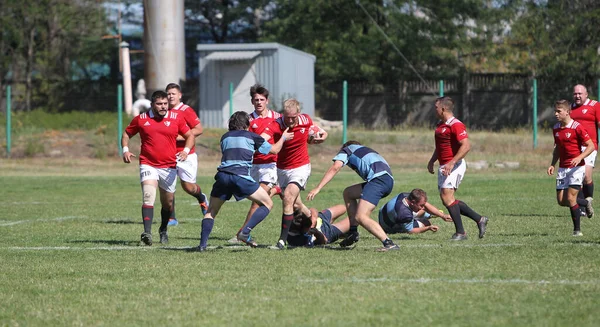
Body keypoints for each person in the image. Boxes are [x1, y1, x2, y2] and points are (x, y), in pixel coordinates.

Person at [196, 111, 293, 251]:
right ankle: (245, 232)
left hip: (222, 176)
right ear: (247, 124)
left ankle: (202, 245)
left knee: (211, 211)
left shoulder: (224, 137)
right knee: (267, 203)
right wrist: (283, 137)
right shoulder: (252, 137)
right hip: (240, 177)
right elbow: (275, 150)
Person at [121, 90, 195, 246]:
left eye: (165, 104)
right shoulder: (141, 119)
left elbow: (190, 135)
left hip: (169, 166)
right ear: (152, 104)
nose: (163, 107)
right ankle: (147, 233)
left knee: (168, 203)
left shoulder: (176, 118)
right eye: (159, 104)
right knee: (148, 195)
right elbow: (127, 134)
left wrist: (186, 151)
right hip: (148, 163)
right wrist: (125, 150)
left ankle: (163, 229)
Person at [307, 140, 400, 252]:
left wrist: (318, 188)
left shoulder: (347, 149)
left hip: (378, 180)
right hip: (387, 180)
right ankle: (353, 232)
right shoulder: (365, 150)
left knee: (361, 216)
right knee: (348, 193)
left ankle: (388, 243)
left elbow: (335, 167)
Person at [262, 98, 328, 250]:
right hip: (282, 170)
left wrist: (322, 137)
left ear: (299, 113)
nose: (290, 121)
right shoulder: (276, 124)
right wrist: (277, 143)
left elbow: (318, 133)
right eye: (287, 117)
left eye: (293, 117)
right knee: (296, 204)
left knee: (288, 197)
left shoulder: (305, 120)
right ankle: (315, 222)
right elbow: (262, 141)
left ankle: (282, 241)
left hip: (301, 167)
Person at [427, 96, 488, 241]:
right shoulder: (440, 125)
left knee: (447, 198)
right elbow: (440, 147)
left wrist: (452, 162)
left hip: (454, 165)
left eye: (436, 107)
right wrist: (432, 160)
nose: (434, 110)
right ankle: (480, 219)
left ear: (443, 109)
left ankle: (461, 233)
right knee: (447, 199)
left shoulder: (456, 125)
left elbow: (466, 146)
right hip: (445, 165)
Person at [229, 84, 282, 242]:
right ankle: (278, 190)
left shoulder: (277, 118)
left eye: (262, 99)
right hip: (253, 165)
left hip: (271, 164)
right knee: (260, 198)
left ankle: (242, 233)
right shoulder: (248, 120)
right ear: (252, 101)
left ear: (267, 101)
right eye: (256, 100)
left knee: (258, 201)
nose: (259, 102)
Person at [547, 100, 595, 236]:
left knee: (571, 198)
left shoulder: (577, 127)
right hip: (562, 169)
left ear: (567, 112)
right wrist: (552, 164)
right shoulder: (556, 128)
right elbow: (557, 149)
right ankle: (585, 202)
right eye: (555, 111)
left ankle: (577, 230)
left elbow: (590, 145)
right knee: (561, 201)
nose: (556, 114)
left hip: (576, 168)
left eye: (559, 111)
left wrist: (580, 157)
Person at [165, 83, 208, 226]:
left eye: (173, 93)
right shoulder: (163, 110)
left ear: (179, 95)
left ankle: (201, 198)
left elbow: (199, 129)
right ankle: (171, 217)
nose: (171, 96)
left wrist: (181, 137)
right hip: (167, 154)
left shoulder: (186, 110)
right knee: (167, 186)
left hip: (186, 154)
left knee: (188, 187)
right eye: (168, 93)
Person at [570, 84, 599, 218]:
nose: (577, 96)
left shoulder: (595, 105)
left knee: (587, 175)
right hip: (575, 147)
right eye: (575, 93)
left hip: (590, 146)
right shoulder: (570, 108)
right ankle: (582, 207)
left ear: (586, 94)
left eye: (580, 93)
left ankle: (588, 201)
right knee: (578, 177)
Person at [379, 188, 452, 235]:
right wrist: (428, 228)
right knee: (425, 223)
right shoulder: (404, 214)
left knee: (421, 211)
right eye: (421, 205)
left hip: (383, 214)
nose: (423, 207)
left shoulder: (405, 195)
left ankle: (429, 215)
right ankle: (429, 215)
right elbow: (411, 231)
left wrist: (443, 216)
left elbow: (425, 204)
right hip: (388, 227)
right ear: (413, 202)